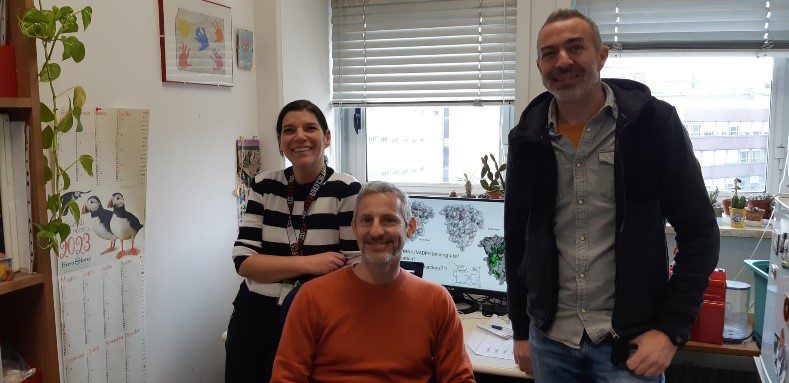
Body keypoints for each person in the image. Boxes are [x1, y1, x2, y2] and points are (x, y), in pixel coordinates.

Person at [503, 9, 720, 382]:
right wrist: (521, 329)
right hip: (550, 341)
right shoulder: (527, 138)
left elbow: (700, 233)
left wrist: (670, 331)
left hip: (630, 347)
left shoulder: (653, 123)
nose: (563, 61)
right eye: (549, 53)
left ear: (601, 55)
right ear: (540, 65)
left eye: (575, 48)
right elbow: (517, 241)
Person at [271, 181, 475, 383]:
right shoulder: (311, 298)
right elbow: (287, 378)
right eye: (366, 220)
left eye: (388, 220)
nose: (376, 231)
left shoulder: (437, 301)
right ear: (354, 228)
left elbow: (458, 378)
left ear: (410, 227)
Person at [225, 100, 362, 382]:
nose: (299, 136)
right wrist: (311, 263)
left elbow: (353, 265)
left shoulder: (347, 189)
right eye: (289, 130)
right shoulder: (264, 185)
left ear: (326, 138)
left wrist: (273, 265)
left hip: (318, 314)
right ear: (280, 142)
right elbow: (244, 262)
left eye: (310, 128)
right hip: (256, 312)